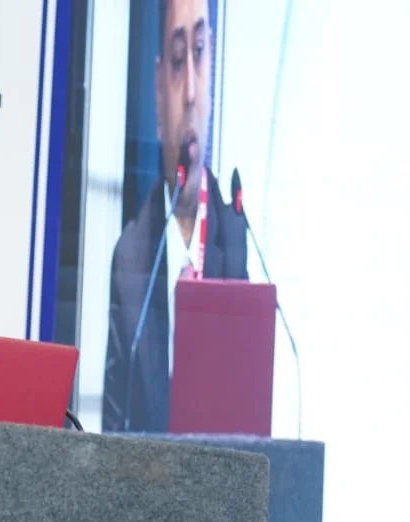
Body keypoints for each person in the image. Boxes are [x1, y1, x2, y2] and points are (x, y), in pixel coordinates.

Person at [103, 0, 249, 433]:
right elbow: (114, 425)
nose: (189, 93)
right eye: (179, 59)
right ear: (157, 92)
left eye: (200, 54)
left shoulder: (238, 238)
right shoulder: (131, 257)